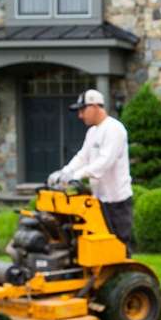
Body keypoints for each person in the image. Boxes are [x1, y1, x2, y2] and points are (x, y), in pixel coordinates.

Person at [49, 89, 135, 248]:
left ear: (95, 106)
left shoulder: (114, 129)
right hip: (98, 200)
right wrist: (65, 172)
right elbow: (82, 157)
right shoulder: (93, 132)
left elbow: (105, 162)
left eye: (83, 110)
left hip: (117, 202)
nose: (80, 115)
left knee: (119, 246)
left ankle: (127, 274)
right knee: (100, 246)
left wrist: (77, 176)